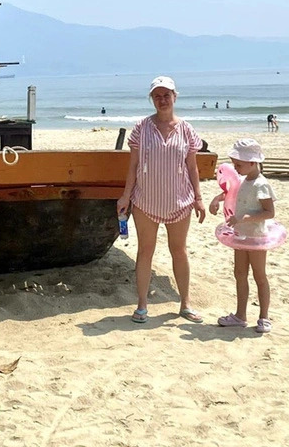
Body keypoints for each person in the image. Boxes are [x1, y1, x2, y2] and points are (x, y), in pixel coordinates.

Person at [117, 76, 206, 324]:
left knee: (179, 250)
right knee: (145, 251)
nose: (162, 100)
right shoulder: (141, 128)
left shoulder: (186, 129)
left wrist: (198, 198)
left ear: (175, 97)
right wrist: (126, 195)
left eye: (167, 95)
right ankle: (142, 305)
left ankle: (186, 303)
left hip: (180, 201)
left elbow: (192, 167)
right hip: (145, 201)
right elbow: (133, 165)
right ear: (151, 99)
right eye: (157, 95)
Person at [209, 139, 276, 334]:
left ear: (252, 162)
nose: (235, 168)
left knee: (259, 275)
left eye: (238, 164)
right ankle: (240, 315)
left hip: (255, 236)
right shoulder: (243, 181)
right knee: (239, 273)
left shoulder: (261, 184)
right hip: (240, 236)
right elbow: (231, 193)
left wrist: (246, 218)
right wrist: (216, 199)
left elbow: (269, 212)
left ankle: (264, 317)